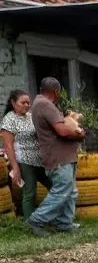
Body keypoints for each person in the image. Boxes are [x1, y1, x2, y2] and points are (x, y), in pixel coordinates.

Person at [28, 78, 85, 236]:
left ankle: (64, 223)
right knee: (61, 190)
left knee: (70, 191)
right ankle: (37, 219)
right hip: (59, 157)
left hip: (63, 156)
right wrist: (79, 134)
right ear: (56, 91)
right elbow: (62, 131)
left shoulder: (39, 104)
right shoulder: (45, 104)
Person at [1, 89, 52, 220]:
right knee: (30, 191)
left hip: (39, 160)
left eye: (28, 103)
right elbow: (8, 146)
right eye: (23, 102)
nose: (26, 105)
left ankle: (55, 217)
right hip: (24, 161)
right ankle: (30, 223)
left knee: (53, 185)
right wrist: (15, 168)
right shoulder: (9, 120)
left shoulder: (30, 116)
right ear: (13, 102)